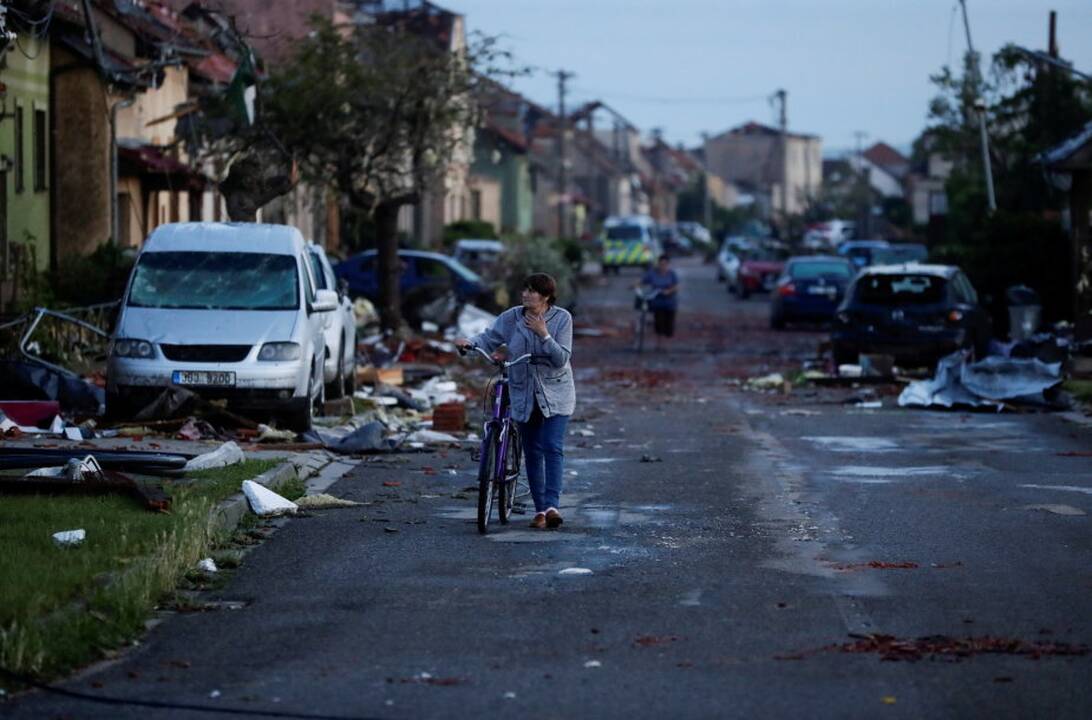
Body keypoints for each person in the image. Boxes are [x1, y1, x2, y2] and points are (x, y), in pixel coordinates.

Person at [454, 273, 575, 530]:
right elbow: (489, 337)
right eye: (525, 289)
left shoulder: (562, 318)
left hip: (556, 391)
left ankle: (553, 506)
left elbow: (561, 359)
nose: (526, 294)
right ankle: (540, 510)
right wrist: (470, 343)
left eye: (533, 291)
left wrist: (544, 334)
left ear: (546, 297)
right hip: (523, 390)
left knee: (552, 446)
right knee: (532, 451)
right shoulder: (512, 317)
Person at [638, 255, 680, 350]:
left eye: (665, 264)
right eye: (661, 264)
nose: (663, 266)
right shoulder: (652, 273)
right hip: (657, 302)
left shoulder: (672, 274)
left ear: (668, 265)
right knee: (658, 323)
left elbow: (677, 286)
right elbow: (642, 281)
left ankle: (667, 342)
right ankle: (659, 344)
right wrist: (634, 285)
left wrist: (669, 291)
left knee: (669, 326)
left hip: (670, 303)